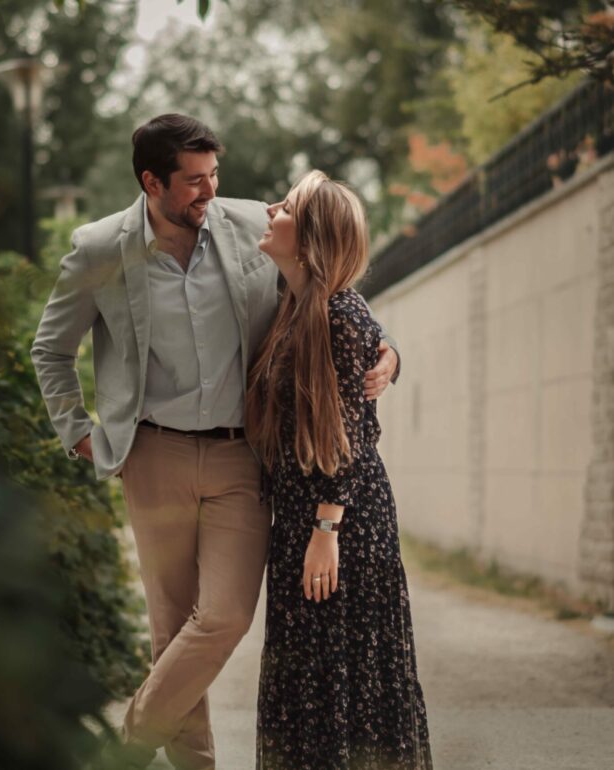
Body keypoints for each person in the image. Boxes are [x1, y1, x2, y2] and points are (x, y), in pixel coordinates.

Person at [31, 115, 400, 770]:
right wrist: (78, 433)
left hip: (240, 456)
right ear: (153, 182)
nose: (210, 191)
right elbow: (51, 350)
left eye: (214, 175)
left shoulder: (250, 224)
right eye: (194, 181)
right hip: (153, 454)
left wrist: (390, 352)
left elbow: (331, 287)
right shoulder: (100, 249)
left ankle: (124, 747)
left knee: (224, 617)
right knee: (173, 629)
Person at [246, 170, 432, 770]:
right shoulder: (295, 304)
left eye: (286, 207)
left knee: (344, 678)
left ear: (310, 238)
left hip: (341, 519)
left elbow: (348, 431)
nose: (270, 209)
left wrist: (326, 530)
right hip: (301, 515)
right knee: (308, 676)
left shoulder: (339, 312)